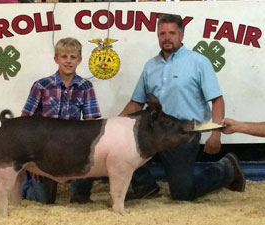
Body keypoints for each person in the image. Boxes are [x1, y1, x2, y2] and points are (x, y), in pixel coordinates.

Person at [119, 14, 245, 201]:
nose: (167, 38)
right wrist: (113, 125)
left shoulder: (199, 62)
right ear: (157, 36)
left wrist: (216, 133)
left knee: (182, 193)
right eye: (162, 33)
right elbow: (136, 102)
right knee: (120, 144)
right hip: (154, 130)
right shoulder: (150, 66)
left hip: (183, 133)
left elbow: (217, 100)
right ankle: (145, 186)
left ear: (182, 35)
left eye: (172, 33)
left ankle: (227, 167)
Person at [19, 37, 101, 204]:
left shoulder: (86, 87)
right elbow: (25, 123)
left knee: (91, 155)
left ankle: (80, 195)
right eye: (64, 57)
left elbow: (91, 124)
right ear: (56, 59)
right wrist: (31, 160)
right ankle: (26, 183)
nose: (68, 61)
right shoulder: (41, 86)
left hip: (72, 145)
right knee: (43, 201)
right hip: (44, 149)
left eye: (73, 57)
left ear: (79, 60)